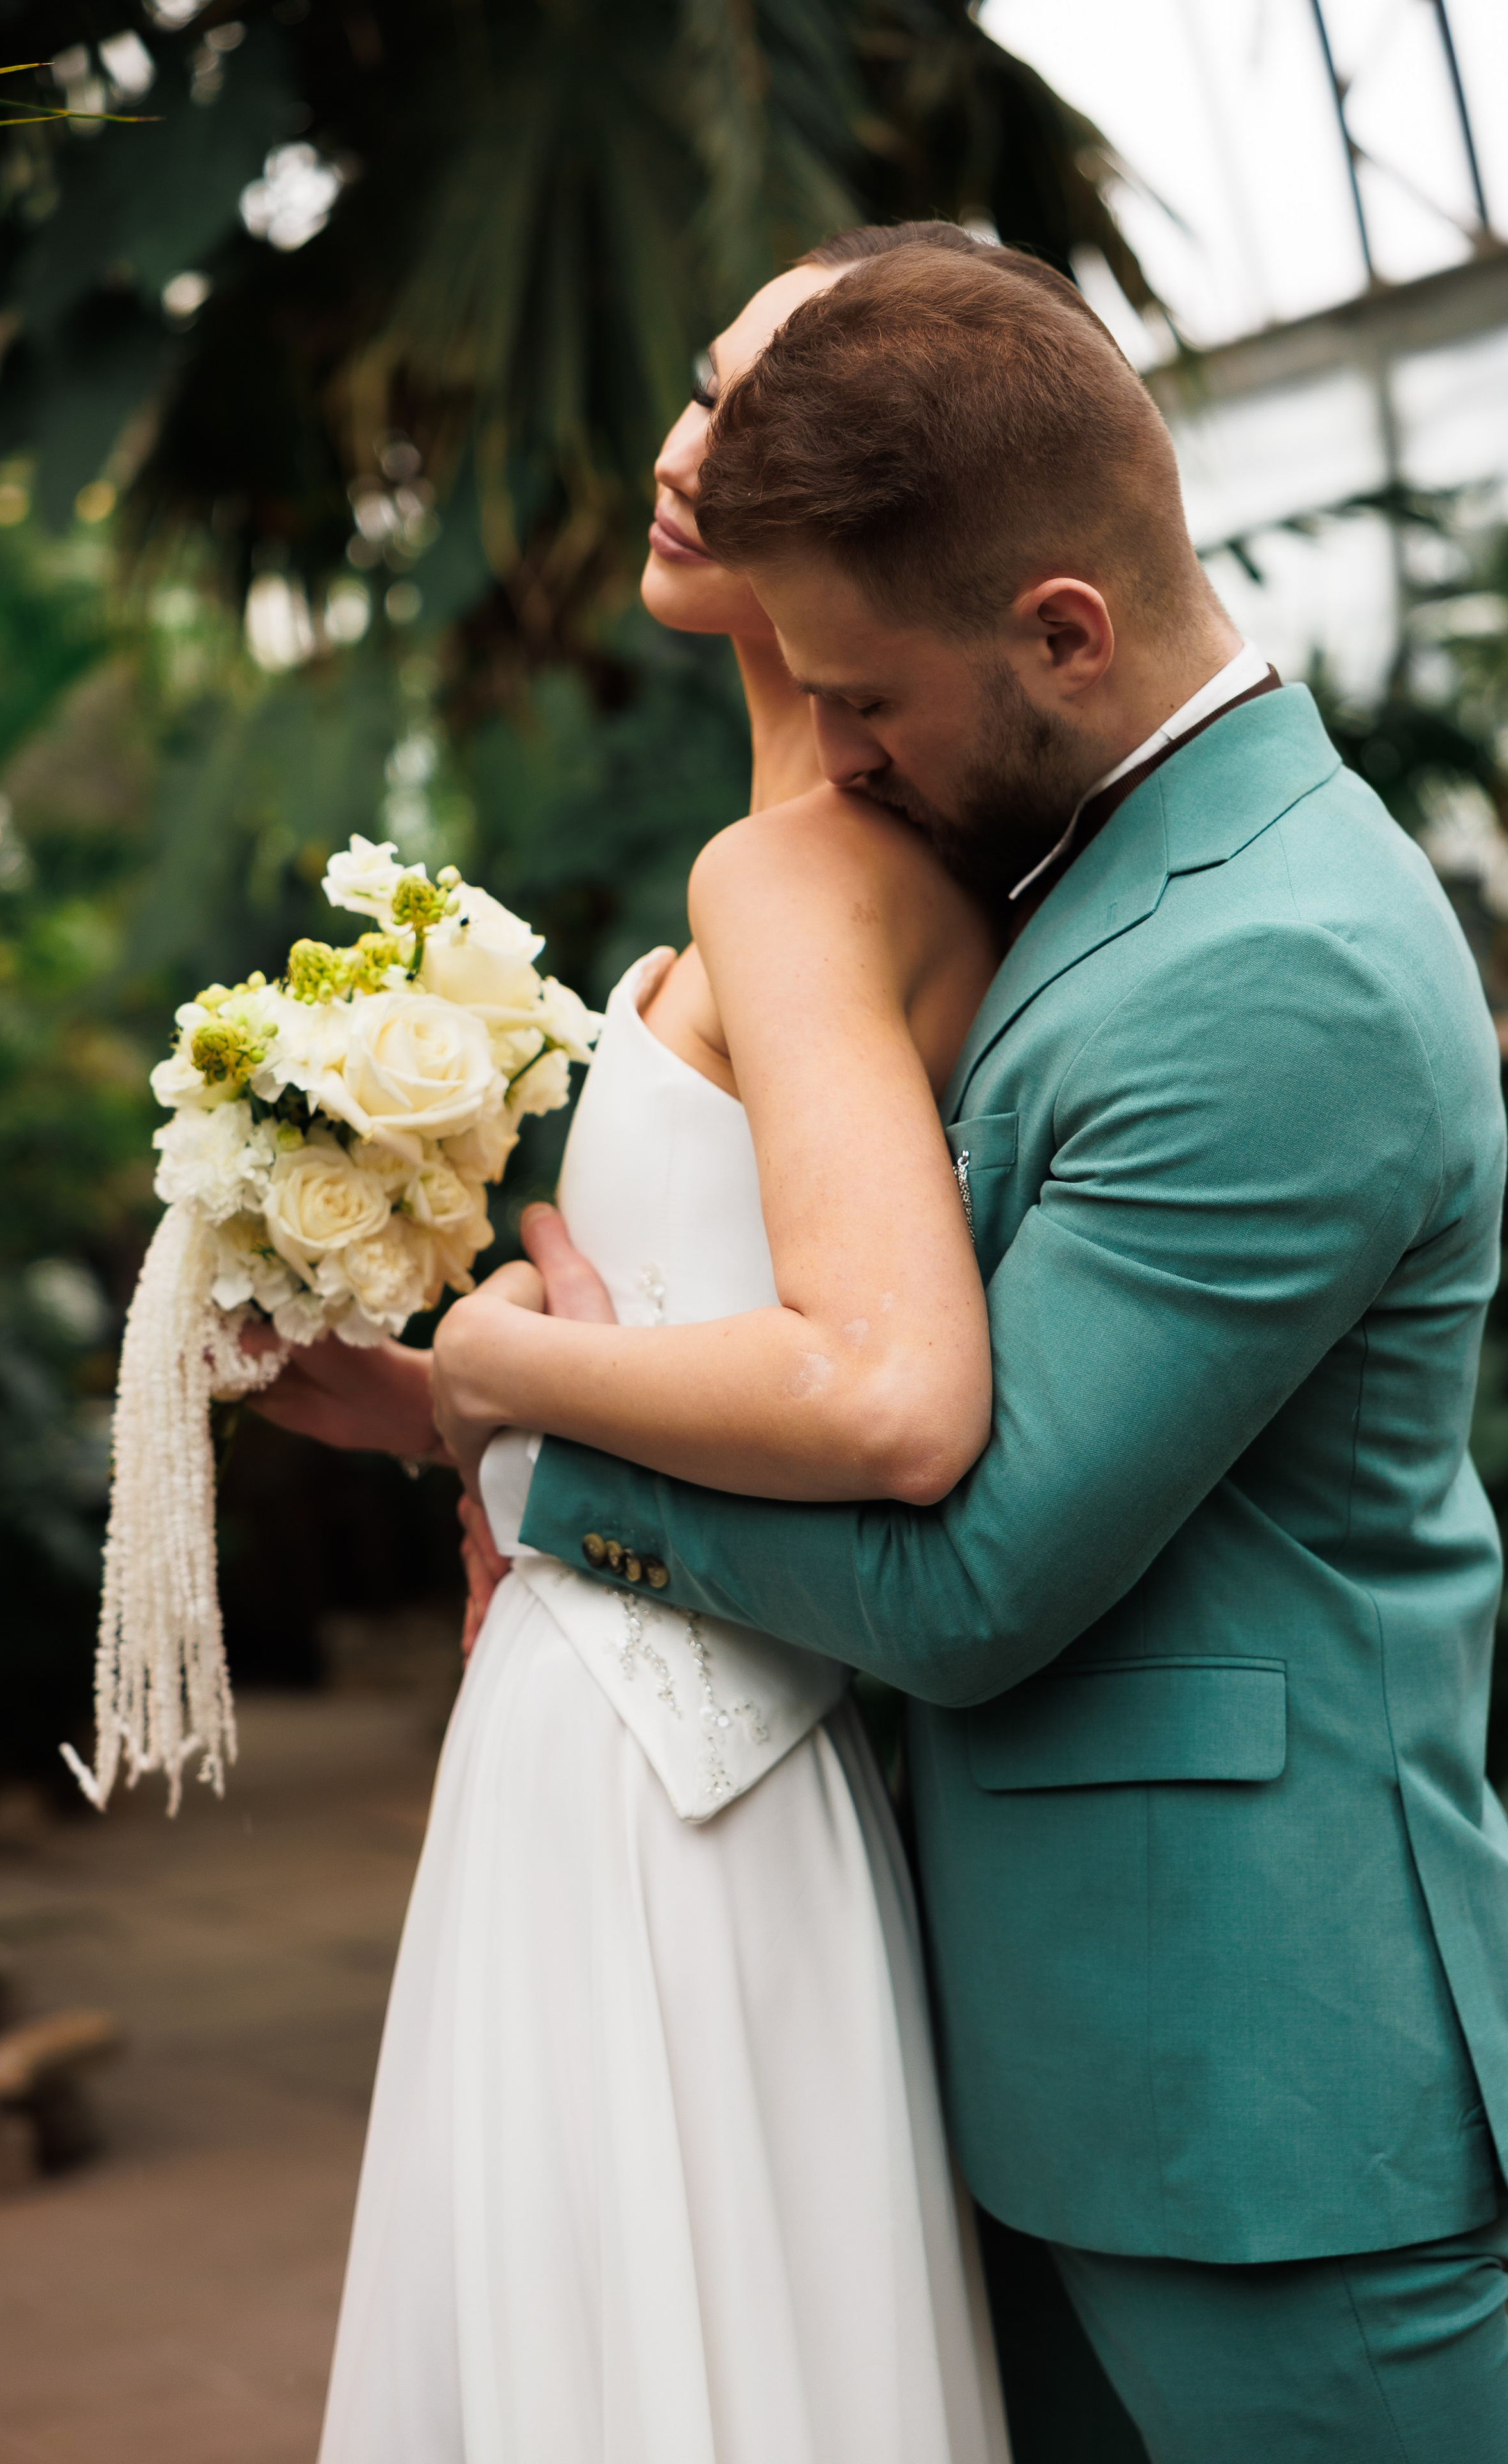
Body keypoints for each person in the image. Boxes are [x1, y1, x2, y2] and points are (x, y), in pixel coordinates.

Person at [452, 244, 1508, 2463]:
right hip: (1036, 2054)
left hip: (1265, 2105)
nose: (834, 758)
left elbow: (976, 1576)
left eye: (867, 702)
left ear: (1061, 631)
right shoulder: (1089, 857)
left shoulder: (1279, 969)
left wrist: (537, 1461)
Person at [261, 228, 1034, 2464]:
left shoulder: (817, 878)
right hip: (601, 1735)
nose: (692, 455)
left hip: (671, 1784)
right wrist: (431, 1410)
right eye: (704, 392)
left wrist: (514, 1383)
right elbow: (725, 1348)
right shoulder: (783, 862)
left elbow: (884, 1386)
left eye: (771, 414)